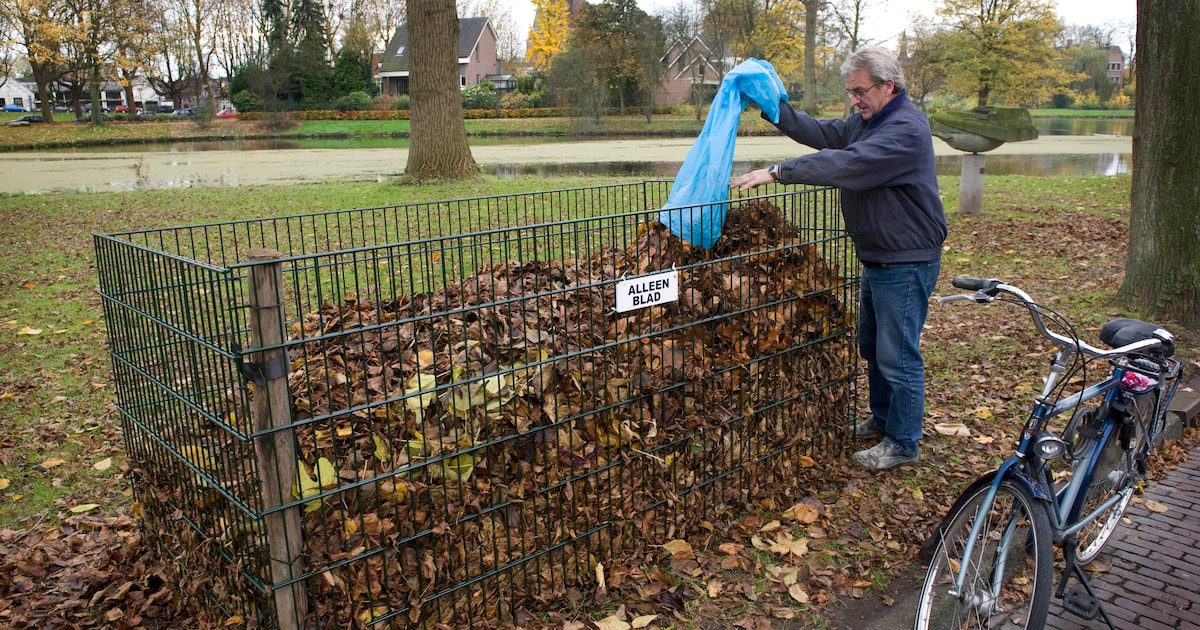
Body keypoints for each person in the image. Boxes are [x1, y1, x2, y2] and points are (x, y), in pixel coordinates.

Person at [732, 46, 946, 471]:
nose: (854, 100)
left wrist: (778, 172)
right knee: (873, 344)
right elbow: (825, 133)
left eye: (860, 91)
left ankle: (903, 442)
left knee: (898, 354)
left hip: (905, 260)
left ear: (888, 85)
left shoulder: (904, 129)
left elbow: (849, 162)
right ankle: (884, 420)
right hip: (881, 256)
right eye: (850, 92)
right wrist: (775, 109)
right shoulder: (871, 120)